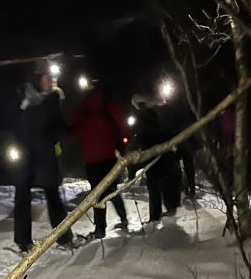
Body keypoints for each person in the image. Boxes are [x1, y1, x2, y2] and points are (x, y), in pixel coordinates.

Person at [14, 69, 73, 253]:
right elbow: (14, 125)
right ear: (37, 79)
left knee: (53, 196)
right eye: (47, 79)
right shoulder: (23, 99)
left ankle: (64, 237)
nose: (50, 82)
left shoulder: (51, 100)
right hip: (26, 157)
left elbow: (61, 127)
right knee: (22, 197)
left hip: (45, 155)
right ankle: (23, 241)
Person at [69, 82, 130, 238]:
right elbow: (122, 126)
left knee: (97, 195)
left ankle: (100, 229)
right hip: (108, 157)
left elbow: (74, 130)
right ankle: (123, 218)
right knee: (113, 190)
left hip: (91, 159)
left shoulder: (84, 107)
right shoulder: (108, 103)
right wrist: (122, 143)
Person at [132, 94, 182, 223]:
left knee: (154, 186)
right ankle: (169, 207)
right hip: (164, 153)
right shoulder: (159, 114)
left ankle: (156, 215)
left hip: (153, 154)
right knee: (164, 182)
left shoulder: (144, 116)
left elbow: (145, 135)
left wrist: (140, 147)